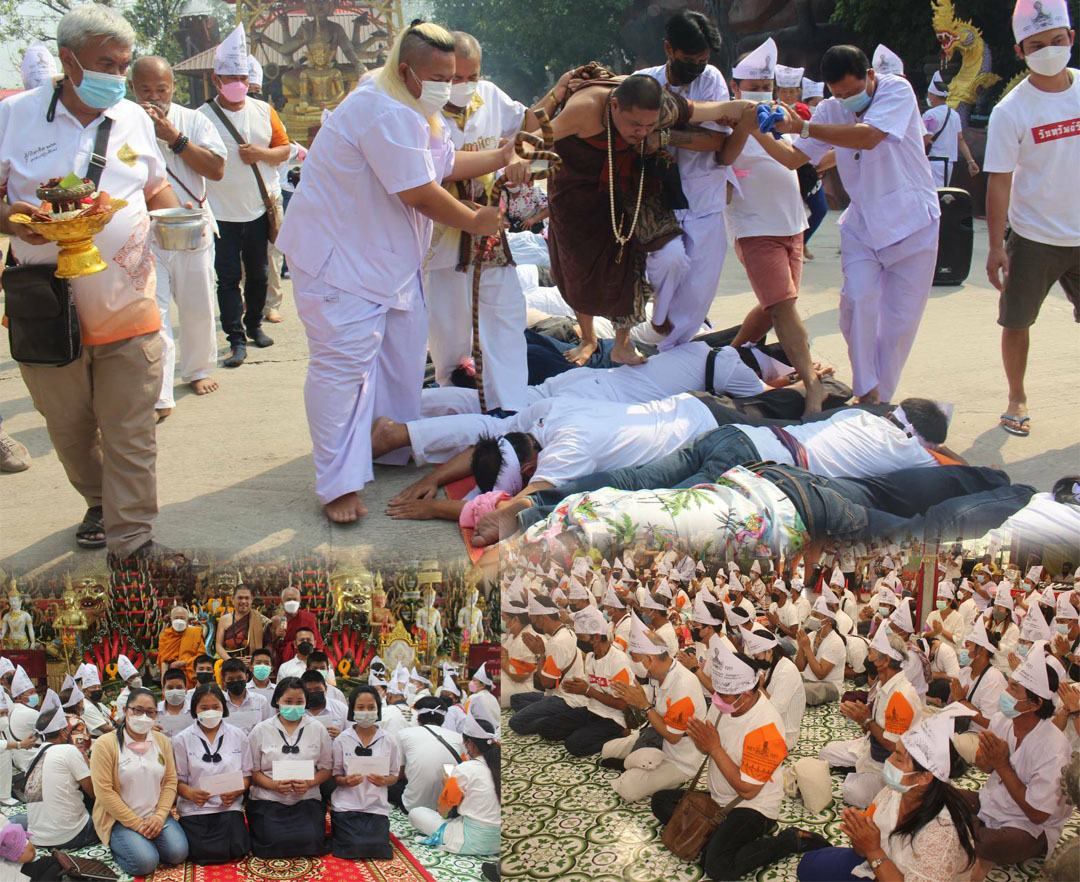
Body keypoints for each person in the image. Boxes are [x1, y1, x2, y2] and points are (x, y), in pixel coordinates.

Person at [275, 22, 510, 525]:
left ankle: (383, 445)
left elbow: (444, 164)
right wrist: (475, 221)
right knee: (343, 372)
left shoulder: (416, 107)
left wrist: (506, 155)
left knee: (400, 363)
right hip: (340, 264)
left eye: (455, 76)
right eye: (440, 77)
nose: (450, 86)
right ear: (406, 71)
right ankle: (337, 483)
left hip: (387, 264)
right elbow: (419, 192)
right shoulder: (382, 109)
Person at [0, 3, 183, 559]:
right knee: (70, 427)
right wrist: (13, 220)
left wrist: (179, 222)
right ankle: (100, 501)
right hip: (46, 308)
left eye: (124, 65)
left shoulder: (132, 118)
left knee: (131, 428)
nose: (118, 76)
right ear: (68, 59)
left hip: (129, 300)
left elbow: (154, 188)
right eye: (107, 64)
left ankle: (133, 541)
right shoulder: (14, 116)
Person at [536, 68, 755, 366]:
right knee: (578, 268)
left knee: (635, 262)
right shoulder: (586, 108)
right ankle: (588, 338)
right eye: (635, 125)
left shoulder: (663, 107)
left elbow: (715, 110)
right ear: (615, 106)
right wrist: (515, 160)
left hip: (631, 186)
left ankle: (623, 344)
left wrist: (750, 110)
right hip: (576, 193)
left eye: (649, 126)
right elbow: (534, 138)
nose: (641, 132)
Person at [769, 44, 940, 405]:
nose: (848, 100)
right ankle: (867, 389)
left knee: (898, 323)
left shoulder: (896, 90)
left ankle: (879, 398)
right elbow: (794, 158)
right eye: (839, 94)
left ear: (871, 76)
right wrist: (757, 130)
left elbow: (868, 136)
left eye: (854, 91)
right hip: (863, 227)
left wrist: (804, 126)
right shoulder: (831, 110)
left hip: (913, 224)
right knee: (856, 304)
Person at [424, 31, 534, 412]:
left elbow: (528, 127)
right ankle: (456, 402)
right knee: (449, 333)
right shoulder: (422, 110)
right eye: (456, 77)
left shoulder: (490, 96)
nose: (464, 84)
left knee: (506, 314)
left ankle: (511, 408)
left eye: (472, 76)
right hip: (441, 236)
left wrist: (519, 157)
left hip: (489, 232)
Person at [984, 0, 1079, 438]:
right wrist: (995, 247)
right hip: (1034, 237)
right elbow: (999, 180)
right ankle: (1016, 397)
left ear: (1071, 38)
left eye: (1057, 41)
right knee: (1017, 321)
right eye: (1037, 45)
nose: (1049, 51)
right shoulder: (1011, 110)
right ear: (1020, 51)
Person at [653, 643, 827, 879]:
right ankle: (720, 835)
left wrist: (714, 748)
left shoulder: (766, 727)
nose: (716, 698)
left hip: (753, 806)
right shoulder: (723, 705)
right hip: (719, 798)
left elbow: (748, 790)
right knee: (660, 801)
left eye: (722, 694)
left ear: (746, 695)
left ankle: (789, 840)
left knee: (717, 867)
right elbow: (707, 748)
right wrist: (701, 740)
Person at [725, 39, 826, 414]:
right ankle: (812, 384)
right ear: (735, 87)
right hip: (754, 227)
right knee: (783, 307)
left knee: (775, 307)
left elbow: (797, 157)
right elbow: (723, 160)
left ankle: (728, 357)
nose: (760, 92)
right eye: (752, 86)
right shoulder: (726, 123)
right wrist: (749, 128)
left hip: (792, 223)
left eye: (765, 86)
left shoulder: (783, 116)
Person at [634, 11, 737, 350]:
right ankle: (655, 330)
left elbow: (716, 140)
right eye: (690, 60)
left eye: (702, 61)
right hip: (656, 200)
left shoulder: (712, 80)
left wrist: (664, 136)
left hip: (702, 196)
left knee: (698, 287)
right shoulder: (643, 82)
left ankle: (673, 348)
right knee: (667, 261)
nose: (697, 67)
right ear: (669, 49)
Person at [130, 55, 225, 420]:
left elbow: (216, 169)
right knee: (154, 313)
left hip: (191, 226)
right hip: (144, 232)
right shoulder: (122, 122)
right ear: (132, 88)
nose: (154, 97)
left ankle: (198, 369)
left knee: (198, 304)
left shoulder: (194, 120)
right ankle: (160, 391)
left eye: (161, 89)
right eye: (145, 90)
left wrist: (174, 137)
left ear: (173, 87)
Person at [798, 707, 979, 882]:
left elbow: (873, 851)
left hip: (887, 867)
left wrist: (873, 850)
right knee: (807, 866)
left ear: (924, 777)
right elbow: (863, 849)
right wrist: (860, 838)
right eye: (893, 754)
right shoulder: (896, 791)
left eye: (898, 759)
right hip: (878, 862)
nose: (888, 761)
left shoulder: (942, 833)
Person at [199, 24, 289, 368]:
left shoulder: (265, 112)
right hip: (221, 214)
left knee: (259, 274)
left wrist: (260, 154)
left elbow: (284, 150)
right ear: (216, 79)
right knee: (227, 279)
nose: (237, 82)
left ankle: (253, 326)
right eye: (230, 77)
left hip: (256, 211)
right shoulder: (201, 118)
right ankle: (235, 339)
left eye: (241, 76)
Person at [959, 642, 1072, 880]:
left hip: (1027, 825)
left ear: (1035, 704)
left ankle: (968, 831)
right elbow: (983, 767)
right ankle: (970, 830)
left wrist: (1002, 765)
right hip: (991, 801)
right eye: (1009, 685)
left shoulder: (1054, 747)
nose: (1005, 693)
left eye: (1013, 688)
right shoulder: (1002, 721)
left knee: (991, 843)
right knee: (940, 794)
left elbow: (1037, 815)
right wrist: (986, 757)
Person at [89, 687, 188, 876]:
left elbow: (169, 781)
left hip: (155, 814)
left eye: (150, 712)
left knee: (177, 853)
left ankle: (144, 840)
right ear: (125, 711)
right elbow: (104, 792)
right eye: (137, 710)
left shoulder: (161, 741)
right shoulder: (106, 744)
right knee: (145, 863)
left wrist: (159, 816)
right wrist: (137, 824)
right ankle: (121, 844)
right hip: (120, 819)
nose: (144, 717)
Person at [822, 626, 922, 809]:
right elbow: (873, 727)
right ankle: (861, 771)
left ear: (885, 660)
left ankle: (879, 786)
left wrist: (867, 720)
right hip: (870, 747)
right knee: (826, 753)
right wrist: (863, 720)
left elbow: (893, 746)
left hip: (891, 763)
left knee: (852, 792)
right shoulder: (883, 685)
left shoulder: (901, 695)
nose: (867, 658)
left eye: (871, 653)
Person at [247, 677, 333, 857]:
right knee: (273, 842)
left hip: (306, 798)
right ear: (277, 700)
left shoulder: (317, 729)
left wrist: (310, 783)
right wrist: (273, 785)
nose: (293, 707)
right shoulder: (261, 730)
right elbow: (252, 770)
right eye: (288, 701)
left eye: (299, 702)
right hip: (268, 798)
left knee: (310, 841)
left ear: (306, 702)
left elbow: (326, 768)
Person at [172, 683, 252, 864]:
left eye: (216, 707)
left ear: (224, 707)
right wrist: (191, 794)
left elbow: (247, 775)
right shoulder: (181, 739)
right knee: (199, 852)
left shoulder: (238, 735)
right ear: (194, 710)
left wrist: (236, 792)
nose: (210, 712)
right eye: (204, 708)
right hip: (195, 808)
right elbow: (178, 780)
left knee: (237, 848)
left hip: (227, 806)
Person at [8, 690, 97, 850]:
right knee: (115, 816)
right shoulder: (68, 750)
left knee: (21, 818)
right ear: (64, 732)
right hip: (73, 835)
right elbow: (93, 793)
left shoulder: (34, 757)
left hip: (37, 838)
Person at [408, 713, 500, 855]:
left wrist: (449, 785)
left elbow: (443, 811)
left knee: (416, 813)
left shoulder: (465, 769)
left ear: (470, 744)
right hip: (499, 843)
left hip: (471, 841)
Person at [329, 685, 400, 859]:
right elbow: (336, 775)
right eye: (360, 707)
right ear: (352, 709)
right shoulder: (342, 739)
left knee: (376, 848)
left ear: (378, 709)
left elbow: (394, 775)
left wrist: (384, 781)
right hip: (346, 805)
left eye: (371, 707)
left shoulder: (388, 740)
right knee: (352, 847)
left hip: (376, 806)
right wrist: (345, 781)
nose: (366, 712)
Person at [394, 698, 465, 812]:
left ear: (418, 718)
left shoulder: (403, 734)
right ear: (443, 719)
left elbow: (399, 773)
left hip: (413, 806)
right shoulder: (458, 738)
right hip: (449, 806)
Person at [922, 72, 979, 188]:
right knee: (943, 192)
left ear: (933, 96)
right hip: (949, 164)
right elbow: (961, 140)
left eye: (929, 94)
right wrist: (970, 161)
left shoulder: (930, 115)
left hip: (933, 162)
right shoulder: (954, 115)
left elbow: (925, 139)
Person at [795, 598, 847, 706]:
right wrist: (801, 647)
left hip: (828, 685)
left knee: (798, 691)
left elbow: (820, 674)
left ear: (828, 619)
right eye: (812, 614)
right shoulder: (812, 635)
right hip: (808, 680)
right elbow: (799, 667)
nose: (812, 618)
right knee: (785, 680)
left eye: (816, 616)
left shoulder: (835, 642)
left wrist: (807, 648)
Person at [215, 582, 271, 666]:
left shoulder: (261, 620)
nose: (243, 601)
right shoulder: (224, 620)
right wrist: (231, 661)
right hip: (230, 666)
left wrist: (257, 659)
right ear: (233, 598)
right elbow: (218, 645)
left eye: (247, 598)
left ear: (251, 599)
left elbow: (269, 644)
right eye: (240, 598)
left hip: (253, 666)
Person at [268, 585, 324, 666]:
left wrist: (318, 661)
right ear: (282, 602)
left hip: (305, 660)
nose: (292, 602)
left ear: (299, 601)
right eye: (288, 599)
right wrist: (276, 636)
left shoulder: (307, 618)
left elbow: (317, 644)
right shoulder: (276, 620)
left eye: (295, 599)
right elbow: (270, 645)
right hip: (284, 661)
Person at [157, 605, 204, 689]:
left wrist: (183, 663)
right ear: (171, 619)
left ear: (187, 619)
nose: (179, 620)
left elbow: (201, 657)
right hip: (172, 675)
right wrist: (164, 681)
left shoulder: (195, 633)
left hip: (191, 676)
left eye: (182, 618)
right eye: (176, 618)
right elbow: (163, 659)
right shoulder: (166, 635)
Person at [220, 658, 272, 733]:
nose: (236, 682)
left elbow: (269, 726)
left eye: (239, 678)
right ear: (224, 680)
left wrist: (261, 728)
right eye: (231, 679)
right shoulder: (220, 703)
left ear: (246, 677)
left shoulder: (260, 700)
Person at [7, 667, 41, 774]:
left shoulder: (13, 709)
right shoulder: (29, 713)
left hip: (21, 760)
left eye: (35, 692)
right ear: (19, 697)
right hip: (33, 761)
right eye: (30, 693)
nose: (35, 695)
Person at [301, 669, 346, 738]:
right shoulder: (297, 711)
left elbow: (353, 734)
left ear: (325, 689)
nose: (313, 693)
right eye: (308, 691)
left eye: (317, 689)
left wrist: (341, 736)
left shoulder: (341, 709)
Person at [157, 668, 194, 737]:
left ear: (186, 690)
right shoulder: (155, 711)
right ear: (163, 690)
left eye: (179, 687)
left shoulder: (194, 710)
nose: (174, 692)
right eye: (170, 688)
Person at [464, 663, 500, 730]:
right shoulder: (493, 697)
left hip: (480, 732)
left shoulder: (473, 698)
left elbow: (466, 718)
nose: (471, 683)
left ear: (483, 685)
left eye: (474, 680)